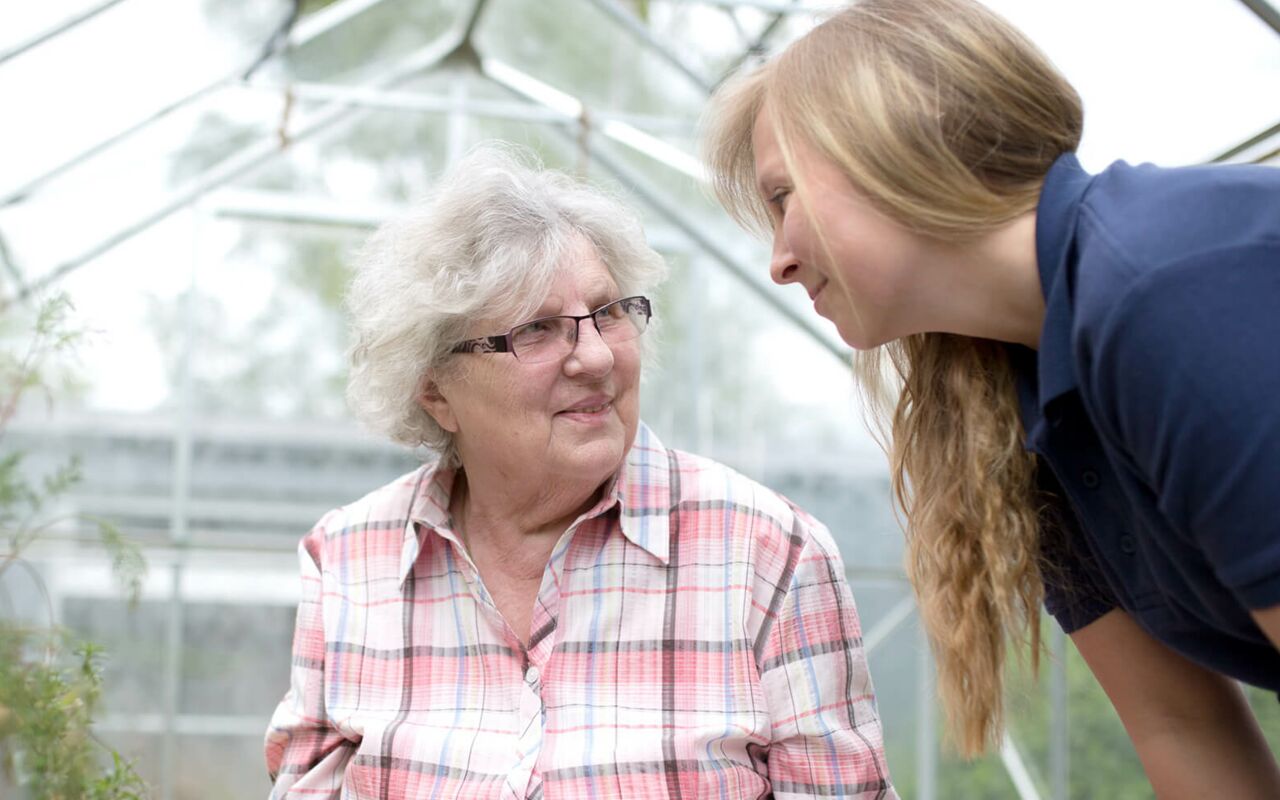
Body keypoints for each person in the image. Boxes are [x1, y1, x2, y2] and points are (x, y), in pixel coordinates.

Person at [701, 0, 1280, 794]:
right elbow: (1183, 727)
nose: (780, 262)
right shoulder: (1027, 407)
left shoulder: (1167, 295)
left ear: (891, 141)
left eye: (780, 199)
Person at [264, 143, 897, 799]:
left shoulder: (769, 554)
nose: (594, 356)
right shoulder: (348, 560)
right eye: (537, 330)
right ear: (436, 392)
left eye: (608, 313)